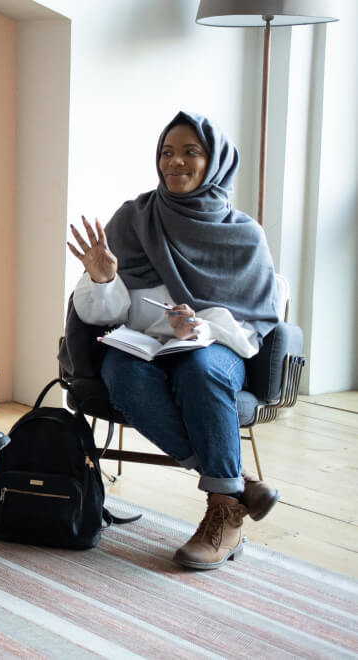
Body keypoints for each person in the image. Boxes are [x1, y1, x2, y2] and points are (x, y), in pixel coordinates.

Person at [66, 110, 282, 570]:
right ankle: (235, 488)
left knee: (199, 369)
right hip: (142, 347)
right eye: (167, 152)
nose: (175, 162)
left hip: (216, 351)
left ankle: (223, 511)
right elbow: (105, 315)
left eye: (190, 152)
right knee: (121, 372)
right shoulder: (134, 219)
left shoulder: (244, 235)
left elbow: (258, 322)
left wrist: (203, 328)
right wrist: (103, 279)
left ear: (216, 162)